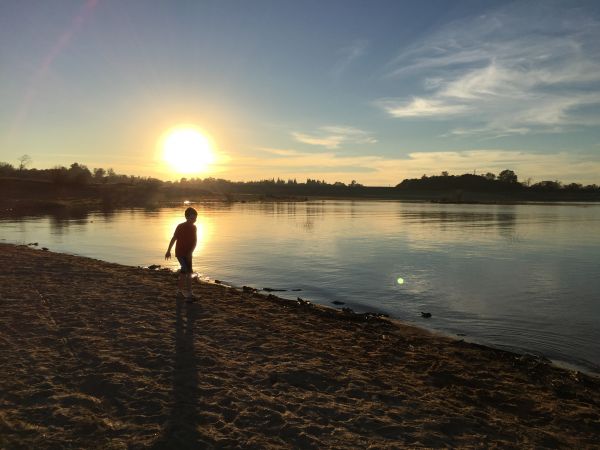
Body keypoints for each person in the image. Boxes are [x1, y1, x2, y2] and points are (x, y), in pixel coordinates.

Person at [165, 207, 198, 301]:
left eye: (195, 218)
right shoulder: (180, 226)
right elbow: (174, 238)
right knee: (185, 271)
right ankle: (182, 293)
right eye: (192, 218)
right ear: (186, 217)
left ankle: (187, 292)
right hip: (180, 253)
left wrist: (191, 252)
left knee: (188, 273)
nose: (194, 220)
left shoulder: (194, 227)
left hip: (189, 254)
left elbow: (195, 241)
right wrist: (168, 251)